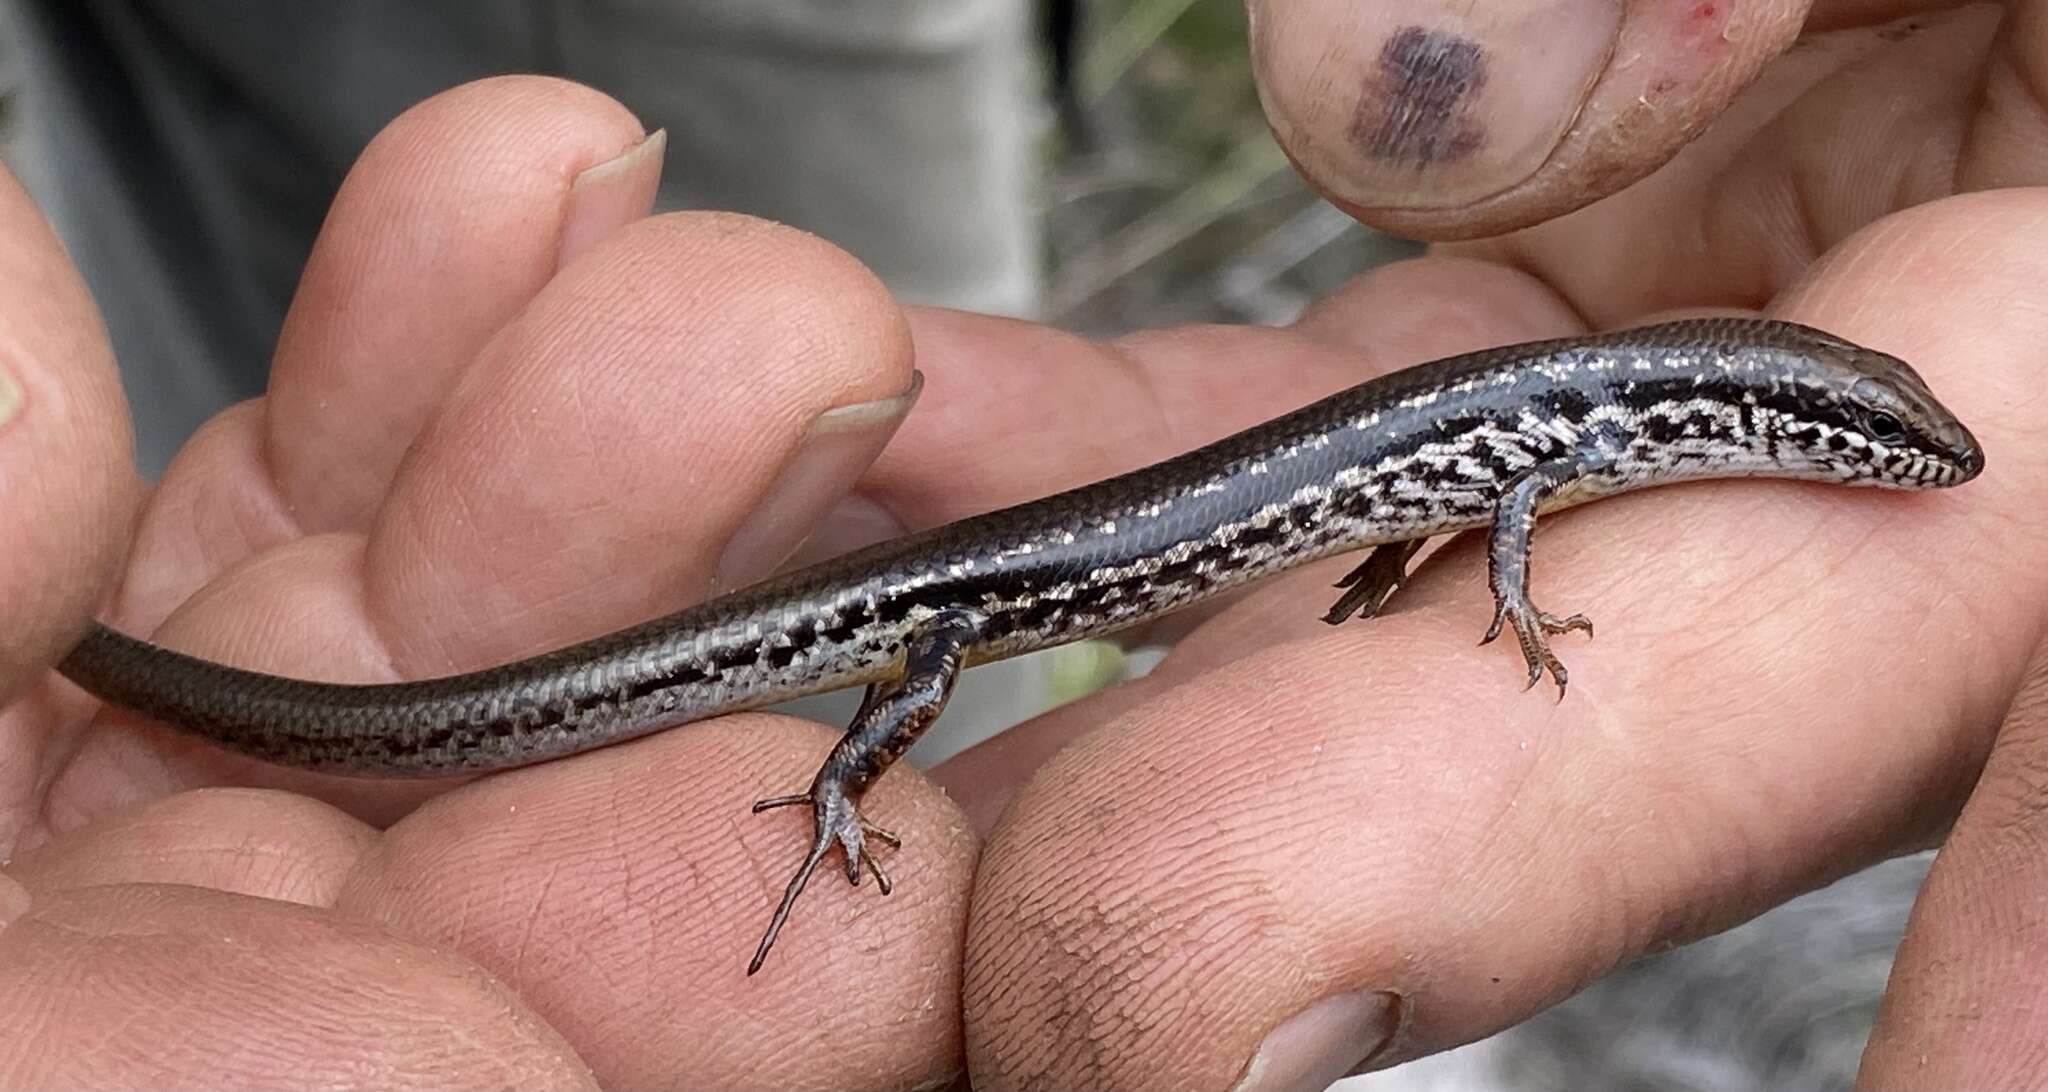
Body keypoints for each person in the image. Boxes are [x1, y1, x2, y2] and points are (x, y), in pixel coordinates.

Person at [0, 3, 2039, 1090]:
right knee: (914, 639)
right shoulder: (1550, 442)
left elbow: (1477, 503)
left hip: (1042, 564)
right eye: (1864, 437)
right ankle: (828, 781)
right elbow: (1495, 513)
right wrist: (1489, 588)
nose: (1896, 460)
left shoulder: (1563, 430)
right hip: (966, 594)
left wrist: (1433, 568)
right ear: (1753, 411)